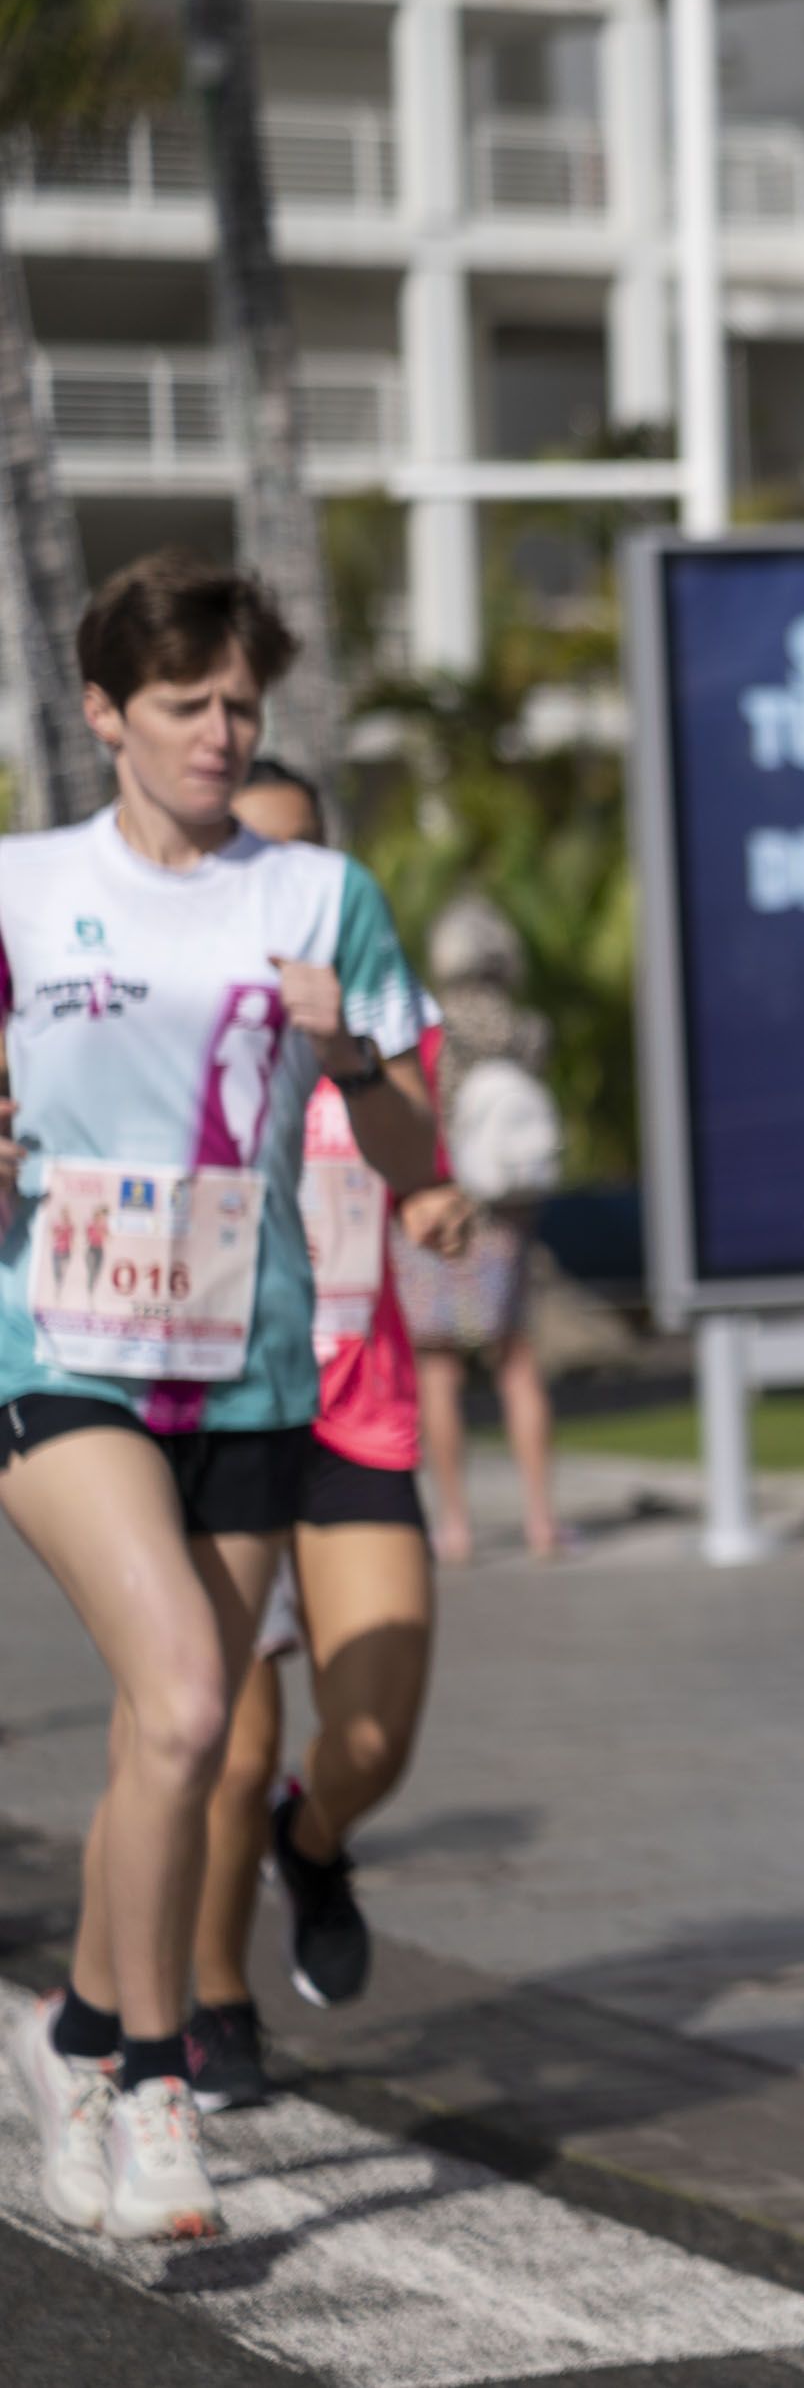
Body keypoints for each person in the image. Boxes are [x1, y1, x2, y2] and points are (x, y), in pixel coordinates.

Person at [1, 554, 433, 2240]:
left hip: (248, 1365)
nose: (219, 732)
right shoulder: (25, 887)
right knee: (191, 1702)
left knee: (157, 1742)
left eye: (241, 704)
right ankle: (164, 2086)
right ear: (105, 712)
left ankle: (78, 2043)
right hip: (59, 1345)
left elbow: (407, 1156)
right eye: (186, 706)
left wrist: (354, 1061)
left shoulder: (321, 896)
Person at [180, 759, 456, 2110]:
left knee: (373, 1736)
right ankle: (216, 1996)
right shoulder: (163, 1019)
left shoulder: (388, 1022)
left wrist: (428, 1197)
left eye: (301, 874)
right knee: (223, 1746)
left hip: (357, 1409)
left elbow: (419, 1165)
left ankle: (317, 1834)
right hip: (212, 1399)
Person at [393, 902, 565, 1562]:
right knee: (516, 1360)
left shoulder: (431, 1028)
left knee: (438, 1366)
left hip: (441, 1205)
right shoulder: (527, 1031)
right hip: (509, 1212)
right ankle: (542, 1520)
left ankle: (456, 1524)